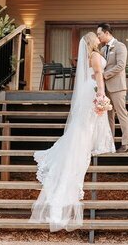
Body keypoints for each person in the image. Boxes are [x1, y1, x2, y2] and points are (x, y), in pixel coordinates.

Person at [29, 32, 115, 231]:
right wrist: (101, 95)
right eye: (96, 37)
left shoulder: (91, 56)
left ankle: (80, 149)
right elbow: (99, 75)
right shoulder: (94, 56)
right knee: (85, 127)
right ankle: (60, 199)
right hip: (93, 90)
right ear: (92, 42)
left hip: (89, 90)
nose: (98, 39)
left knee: (85, 126)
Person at [97, 23, 128, 153]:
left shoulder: (120, 46)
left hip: (117, 87)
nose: (98, 36)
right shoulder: (102, 49)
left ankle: (126, 143)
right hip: (105, 89)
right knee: (108, 117)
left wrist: (104, 75)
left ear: (107, 33)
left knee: (122, 114)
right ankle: (109, 142)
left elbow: (121, 66)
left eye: (99, 34)